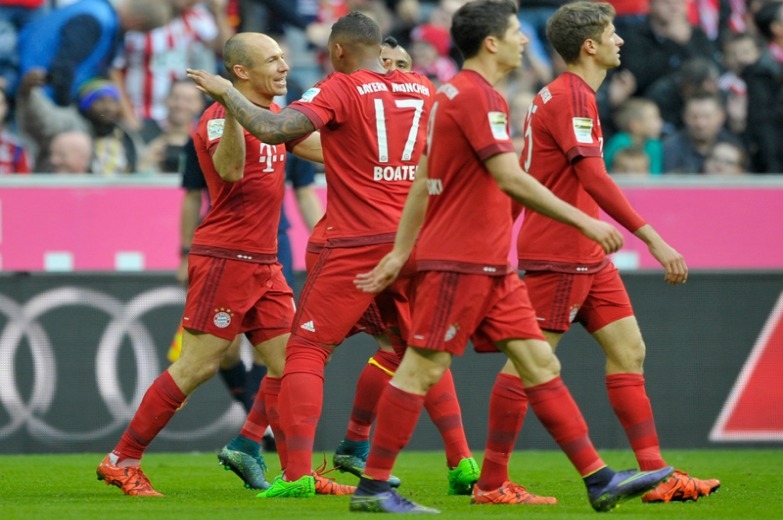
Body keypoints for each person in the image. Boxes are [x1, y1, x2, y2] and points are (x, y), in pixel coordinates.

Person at [350, 0, 673, 513]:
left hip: (490, 264)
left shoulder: (454, 94)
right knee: (420, 370)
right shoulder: (479, 98)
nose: (526, 40)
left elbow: (424, 180)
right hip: (460, 262)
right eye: (517, 32)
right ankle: (373, 488)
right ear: (492, 42)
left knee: (539, 362)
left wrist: (401, 251)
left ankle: (599, 479)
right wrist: (585, 221)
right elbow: (509, 178)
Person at [188, 10, 478, 500]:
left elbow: (276, 130)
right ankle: (457, 460)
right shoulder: (423, 89)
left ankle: (298, 471)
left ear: (338, 51)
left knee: (303, 352)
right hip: (409, 244)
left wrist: (226, 94)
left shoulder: (339, 89)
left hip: (350, 245)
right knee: (411, 349)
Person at [96, 31, 323, 497]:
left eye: (283, 57)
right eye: (272, 59)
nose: (284, 66)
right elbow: (231, 171)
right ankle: (122, 459)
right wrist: (232, 106)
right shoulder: (219, 117)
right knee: (196, 367)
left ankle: (295, 473)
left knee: (291, 365)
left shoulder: (274, 117)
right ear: (241, 72)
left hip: (265, 261)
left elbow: (327, 149)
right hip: (226, 258)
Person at [515, 1, 721, 505]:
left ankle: (656, 474)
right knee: (528, 364)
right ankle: (492, 480)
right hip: (562, 248)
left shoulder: (562, 94)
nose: (621, 39)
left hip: (584, 250)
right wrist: (652, 237)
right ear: (590, 46)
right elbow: (593, 176)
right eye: (612, 33)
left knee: (629, 351)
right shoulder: (572, 97)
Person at [15, 0, 170, 107]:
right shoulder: (94, 20)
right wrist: (65, 106)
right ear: (138, 22)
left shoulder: (101, 13)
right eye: (142, 31)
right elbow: (63, 66)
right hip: (30, 91)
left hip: (35, 90)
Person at [662, 90, 744, 174]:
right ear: (684, 116)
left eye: (707, 117)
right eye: (694, 117)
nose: (700, 124)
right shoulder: (670, 148)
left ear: (721, 117)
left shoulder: (733, 145)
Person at [603, 97, 664, 174]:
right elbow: (605, 171)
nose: (660, 123)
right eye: (653, 118)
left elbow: (655, 176)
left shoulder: (654, 145)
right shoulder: (619, 141)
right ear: (635, 125)